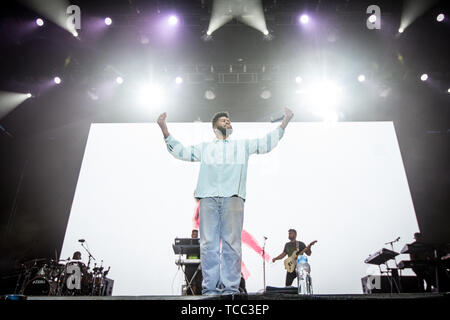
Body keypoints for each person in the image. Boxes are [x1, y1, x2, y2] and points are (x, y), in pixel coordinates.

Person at [157, 107, 293, 295]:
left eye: (229, 121)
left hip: (233, 199)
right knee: (208, 245)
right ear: (214, 127)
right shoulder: (205, 147)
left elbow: (266, 143)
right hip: (208, 199)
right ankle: (210, 290)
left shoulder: (242, 145)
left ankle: (230, 289)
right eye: (223, 121)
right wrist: (164, 128)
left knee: (232, 244)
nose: (227, 123)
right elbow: (181, 151)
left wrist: (285, 121)